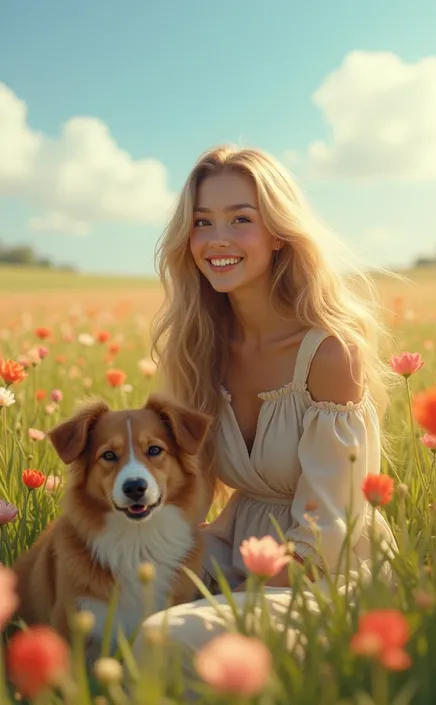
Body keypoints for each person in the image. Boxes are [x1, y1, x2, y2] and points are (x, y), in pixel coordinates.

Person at [133, 144, 397, 693]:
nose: (217, 239)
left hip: (328, 572)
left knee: (167, 637)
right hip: (237, 546)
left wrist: (233, 594)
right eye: (202, 222)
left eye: (241, 220)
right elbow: (189, 498)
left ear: (278, 232)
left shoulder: (329, 355)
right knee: (106, 603)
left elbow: (329, 536)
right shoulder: (197, 347)